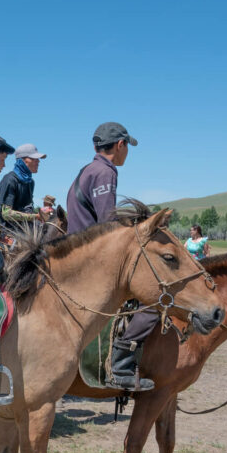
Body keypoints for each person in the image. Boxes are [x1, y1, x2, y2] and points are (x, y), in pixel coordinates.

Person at [66, 122, 152, 390]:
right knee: (152, 302)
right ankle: (121, 365)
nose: (127, 153)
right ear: (120, 145)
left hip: (78, 254)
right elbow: (107, 224)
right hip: (92, 261)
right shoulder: (105, 172)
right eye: (127, 148)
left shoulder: (87, 170)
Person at [0, 143, 55, 228]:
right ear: (23, 160)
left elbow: (28, 209)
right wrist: (36, 216)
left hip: (28, 229)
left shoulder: (30, 182)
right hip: (11, 232)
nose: (38, 161)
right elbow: (6, 214)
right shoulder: (10, 180)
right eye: (35, 159)